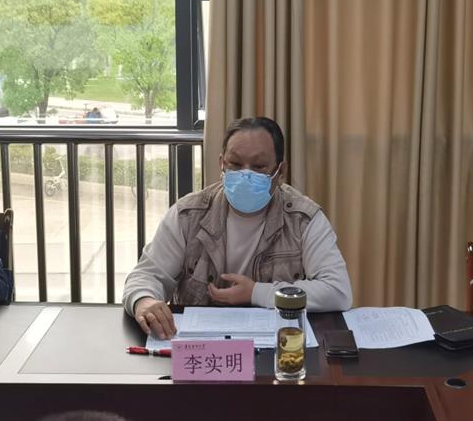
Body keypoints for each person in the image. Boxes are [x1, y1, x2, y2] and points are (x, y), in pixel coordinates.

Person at [123, 116, 353, 339]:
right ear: (221, 164)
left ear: (280, 171)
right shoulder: (188, 214)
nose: (245, 174)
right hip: (201, 349)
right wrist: (144, 300)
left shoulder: (303, 219)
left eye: (259, 166)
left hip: (277, 348)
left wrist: (256, 293)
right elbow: (146, 275)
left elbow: (337, 291)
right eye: (235, 164)